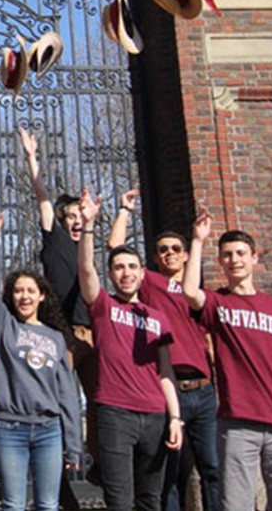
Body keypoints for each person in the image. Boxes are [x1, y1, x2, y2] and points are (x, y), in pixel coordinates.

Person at [181, 207, 272, 511]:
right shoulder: (218, 303)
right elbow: (190, 291)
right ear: (220, 261)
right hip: (236, 422)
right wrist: (198, 240)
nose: (235, 260)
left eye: (241, 253)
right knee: (236, 505)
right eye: (228, 255)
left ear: (255, 259)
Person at [108, 189, 219, 511]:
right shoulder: (152, 283)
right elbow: (117, 250)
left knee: (212, 467)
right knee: (168, 472)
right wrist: (125, 210)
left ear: (185, 255)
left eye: (175, 249)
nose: (169, 253)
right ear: (154, 260)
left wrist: (199, 239)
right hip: (169, 387)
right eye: (162, 250)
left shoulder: (199, 295)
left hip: (204, 389)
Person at [76, 189, 182, 511]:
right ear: (111, 274)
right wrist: (89, 225)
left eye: (132, 267)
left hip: (155, 415)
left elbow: (165, 372)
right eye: (119, 267)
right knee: (119, 501)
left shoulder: (158, 318)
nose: (126, 273)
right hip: (115, 413)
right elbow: (85, 271)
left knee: (151, 499)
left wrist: (175, 416)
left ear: (141, 272)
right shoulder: (103, 306)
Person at [0, 201, 84, 511]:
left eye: (30, 291)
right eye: (18, 291)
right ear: (11, 296)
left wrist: (74, 446)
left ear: (42, 295)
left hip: (49, 430)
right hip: (10, 427)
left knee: (48, 504)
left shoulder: (54, 338)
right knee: (12, 503)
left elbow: (67, 394)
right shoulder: (4, 325)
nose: (24, 296)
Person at [18, 128, 99, 464]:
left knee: (98, 401)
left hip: (91, 333)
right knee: (58, 399)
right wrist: (31, 158)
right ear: (63, 221)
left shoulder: (89, 247)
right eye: (72, 218)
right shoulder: (55, 239)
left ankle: (96, 463)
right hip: (61, 334)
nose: (77, 222)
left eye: (82, 217)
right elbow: (42, 196)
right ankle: (62, 462)